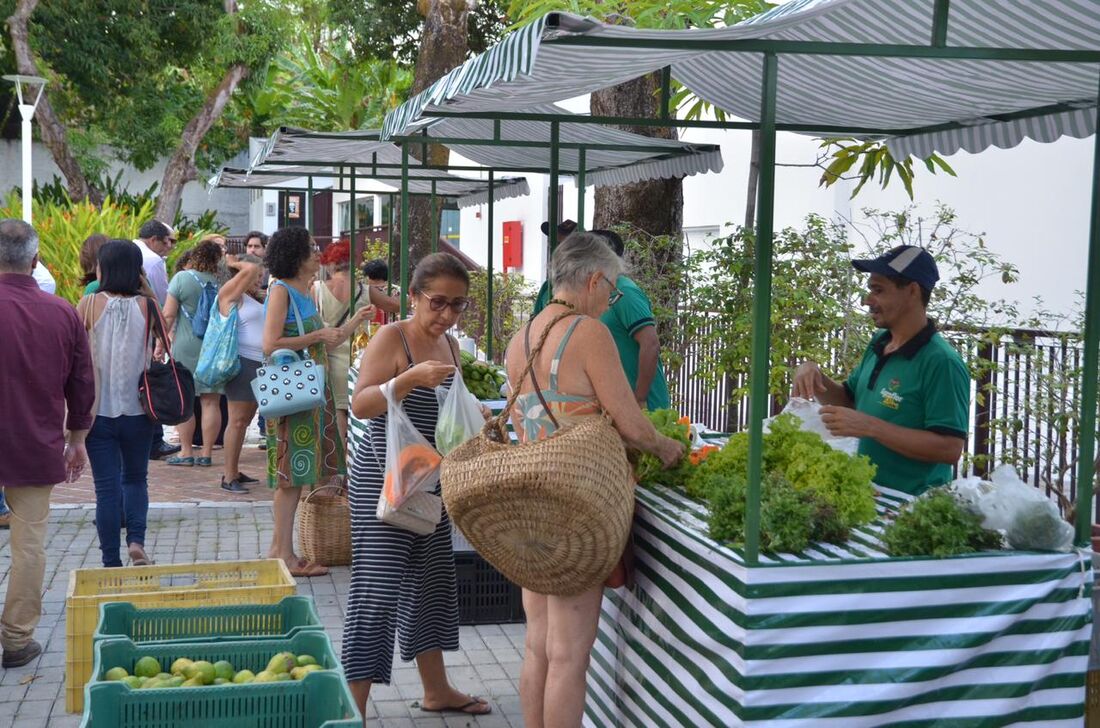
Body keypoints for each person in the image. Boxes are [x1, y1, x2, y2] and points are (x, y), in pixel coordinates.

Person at [505, 232, 683, 728]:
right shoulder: (587, 333)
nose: (611, 299)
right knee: (570, 655)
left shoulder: (521, 337)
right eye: (612, 288)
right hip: (577, 510)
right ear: (595, 279)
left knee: (538, 645)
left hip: (528, 504)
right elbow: (631, 423)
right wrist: (668, 448)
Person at [345, 252, 491, 719]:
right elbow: (361, 405)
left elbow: (451, 408)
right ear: (412, 297)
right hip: (385, 484)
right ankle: (353, 707)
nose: (446, 314)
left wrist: (478, 415)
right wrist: (407, 379)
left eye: (458, 305)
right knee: (378, 590)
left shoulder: (450, 345)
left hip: (431, 481)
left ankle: (436, 690)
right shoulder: (393, 338)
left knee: (431, 586)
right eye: (437, 303)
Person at [791, 245, 971, 496]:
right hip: (867, 493)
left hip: (911, 504)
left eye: (878, 290)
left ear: (912, 291)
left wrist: (871, 427)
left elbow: (949, 449)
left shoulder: (942, 362)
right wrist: (815, 374)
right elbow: (850, 401)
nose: (867, 300)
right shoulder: (879, 342)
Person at [0, 218, 93, 668]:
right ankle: (17, 640)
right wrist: (77, 439)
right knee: (29, 544)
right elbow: (81, 384)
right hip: (34, 441)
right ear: (35, 261)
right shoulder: (61, 313)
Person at [262, 226, 346, 577]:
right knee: (290, 476)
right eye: (311, 248)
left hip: (309, 391)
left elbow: (319, 341)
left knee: (298, 472)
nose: (318, 253)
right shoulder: (281, 290)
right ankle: (285, 556)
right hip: (293, 391)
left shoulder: (305, 291)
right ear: (295, 256)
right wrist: (316, 335)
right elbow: (270, 344)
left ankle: (279, 550)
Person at [76, 240, 159, 567]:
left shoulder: (88, 304)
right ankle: (136, 542)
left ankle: (111, 561)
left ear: (103, 268)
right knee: (136, 480)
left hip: (98, 413)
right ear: (137, 271)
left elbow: (74, 354)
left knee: (106, 489)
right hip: (140, 410)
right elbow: (163, 341)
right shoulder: (148, 306)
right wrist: (147, 289)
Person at [533, 225, 670, 411]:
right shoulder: (557, 293)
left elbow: (651, 344)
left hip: (643, 406)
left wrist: (639, 399)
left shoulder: (625, 292)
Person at [313, 241, 389, 444]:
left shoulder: (317, 289)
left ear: (329, 264)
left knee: (338, 412)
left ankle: (339, 466)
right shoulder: (364, 291)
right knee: (358, 415)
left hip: (330, 359)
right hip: (360, 361)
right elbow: (396, 306)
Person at [162, 240, 224, 467]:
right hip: (215, 347)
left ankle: (186, 451)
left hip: (186, 345)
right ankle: (207, 453)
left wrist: (160, 343)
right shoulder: (222, 282)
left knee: (186, 400)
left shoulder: (182, 278)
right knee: (211, 402)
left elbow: (168, 315)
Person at [218, 254, 266, 494]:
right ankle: (228, 475)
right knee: (237, 421)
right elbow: (248, 269)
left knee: (244, 421)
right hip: (242, 361)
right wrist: (236, 262)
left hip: (258, 362)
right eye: (256, 275)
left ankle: (234, 470)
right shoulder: (230, 295)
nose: (259, 279)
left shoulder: (250, 297)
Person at [136, 219, 180, 460]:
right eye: (169, 241)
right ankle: (154, 440)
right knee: (151, 383)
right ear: (154, 240)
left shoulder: (128, 248)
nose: (171, 247)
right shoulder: (153, 261)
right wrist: (164, 336)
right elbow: (163, 301)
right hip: (147, 327)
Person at [361, 257, 401, 326]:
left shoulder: (364, 291)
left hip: (367, 333)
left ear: (368, 275)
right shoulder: (397, 290)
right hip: (393, 330)